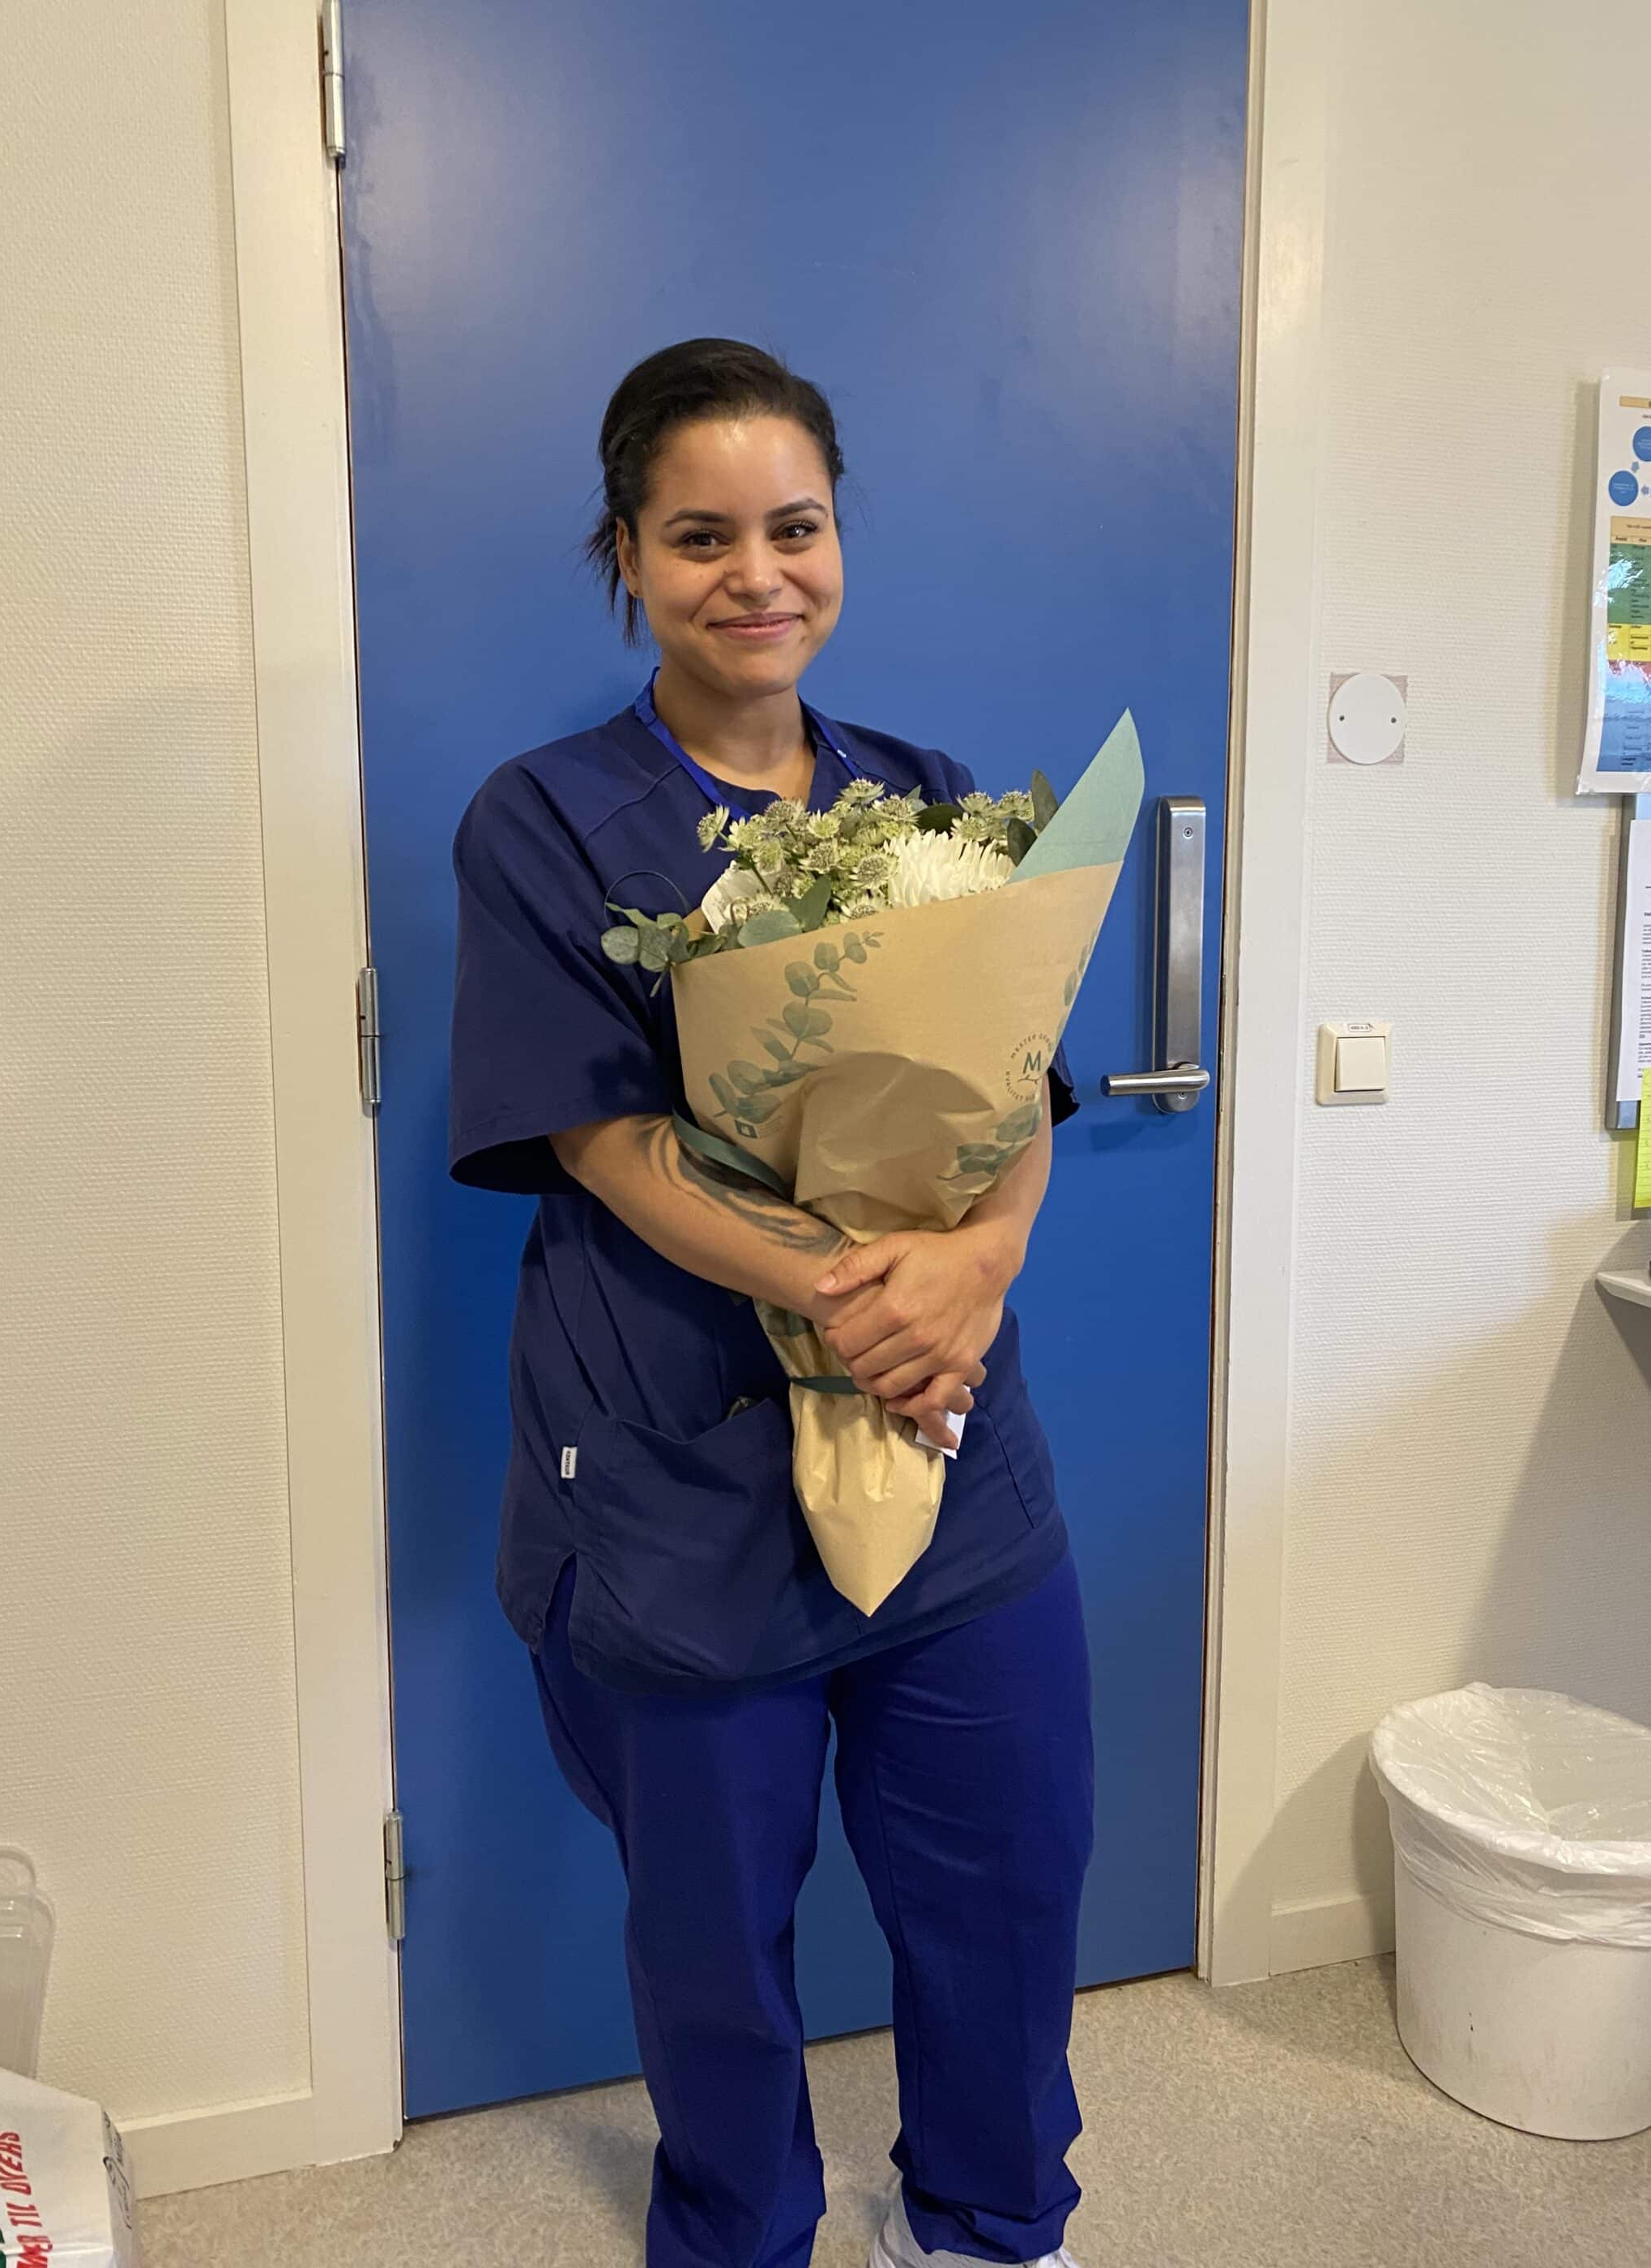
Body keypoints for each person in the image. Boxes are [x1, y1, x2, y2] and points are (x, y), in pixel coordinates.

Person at [450, 338, 1092, 2268]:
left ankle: (987, 2221)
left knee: (1007, 1876)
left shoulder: (931, 797)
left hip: (943, 1425)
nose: (758, 574)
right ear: (626, 554)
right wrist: (844, 1287)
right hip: (682, 1461)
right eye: (701, 535)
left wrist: (974, 1266)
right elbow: (600, 1140)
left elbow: (1013, 1098)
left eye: (794, 529)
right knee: (715, 1933)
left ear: (837, 539)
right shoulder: (546, 820)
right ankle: (741, 2234)